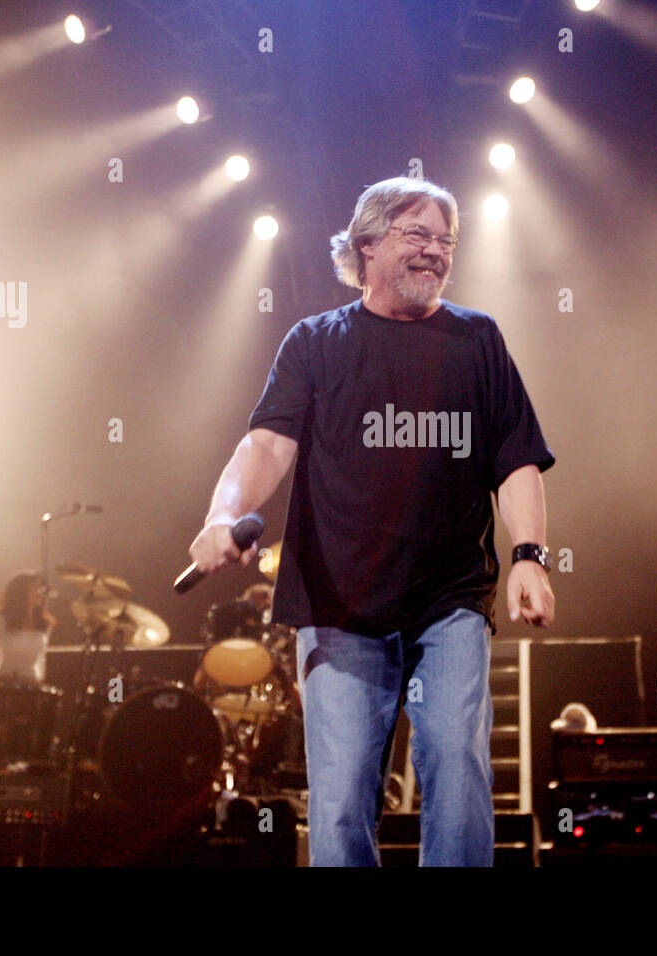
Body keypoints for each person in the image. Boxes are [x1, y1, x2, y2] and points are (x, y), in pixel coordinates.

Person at [187, 176, 556, 866]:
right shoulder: (315, 343)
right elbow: (266, 445)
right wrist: (222, 513)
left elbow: (515, 459)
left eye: (445, 240)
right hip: (340, 604)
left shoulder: (477, 340)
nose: (435, 251)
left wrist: (532, 555)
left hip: (449, 600)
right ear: (366, 244)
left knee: (456, 760)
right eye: (417, 234)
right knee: (342, 795)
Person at [0, 572, 54, 685]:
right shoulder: (0, 621)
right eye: (36, 589)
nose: (40, 593)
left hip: (32, 683)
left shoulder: (44, 623)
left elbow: (42, 657)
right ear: (22, 593)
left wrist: (41, 681)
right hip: (2, 682)